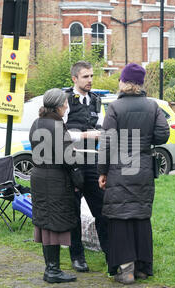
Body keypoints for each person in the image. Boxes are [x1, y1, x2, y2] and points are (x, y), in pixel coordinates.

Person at [97, 63, 170, 284]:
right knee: (140, 214)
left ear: (124, 82)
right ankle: (143, 268)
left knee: (120, 216)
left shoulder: (115, 109)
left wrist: (102, 171)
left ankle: (126, 270)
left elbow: (107, 142)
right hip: (143, 165)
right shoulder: (152, 106)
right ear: (140, 84)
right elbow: (162, 134)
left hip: (120, 167)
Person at [29, 88, 82, 284]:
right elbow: (68, 158)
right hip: (55, 179)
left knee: (45, 222)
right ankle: (53, 270)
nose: (67, 106)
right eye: (65, 103)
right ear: (59, 106)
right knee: (54, 223)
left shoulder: (37, 123)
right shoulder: (58, 126)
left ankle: (51, 268)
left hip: (39, 176)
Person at [63, 61, 109, 273]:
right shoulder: (65, 100)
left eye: (91, 76)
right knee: (72, 213)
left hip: (91, 163)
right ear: (74, 78)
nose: (90, 80)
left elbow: (101, 127)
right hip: (71, 163)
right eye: (85, 77)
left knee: (101, 210)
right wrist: (83, 134)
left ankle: (111, 254)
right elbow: (59, 132)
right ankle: (77, 257)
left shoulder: (96, 101)